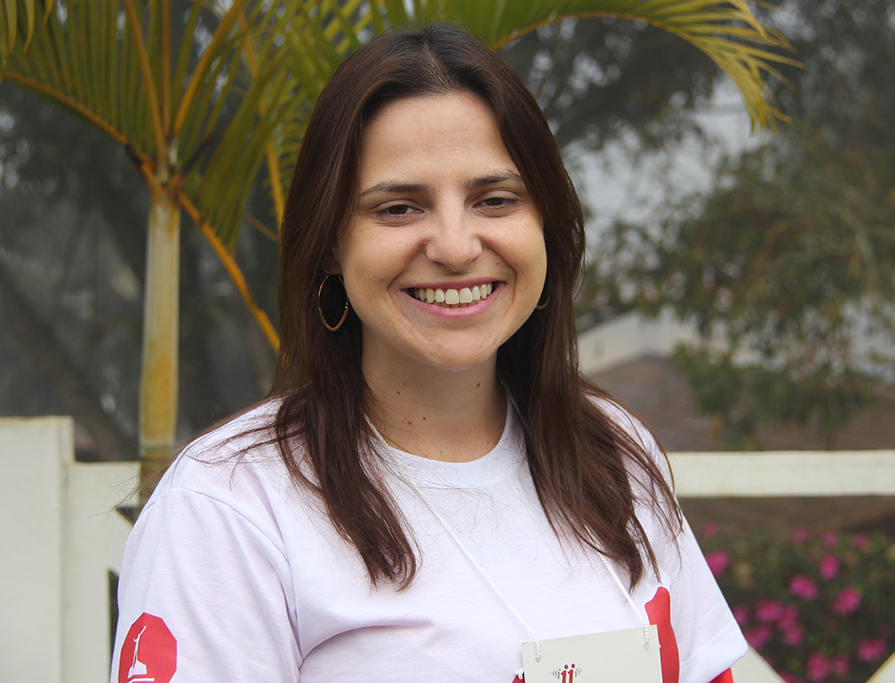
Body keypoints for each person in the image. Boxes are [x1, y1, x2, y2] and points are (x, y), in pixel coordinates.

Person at [110, 23, 746, 683]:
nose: (455, 246)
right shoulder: (229, 505)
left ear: (546, 226)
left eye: (494, 200)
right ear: (329, 244)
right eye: (399, 208)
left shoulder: (614, 453)